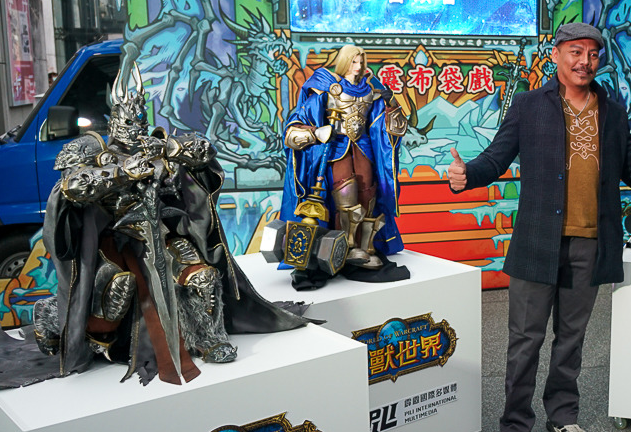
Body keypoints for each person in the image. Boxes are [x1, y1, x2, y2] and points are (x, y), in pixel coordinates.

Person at [447, 23, 631, 432]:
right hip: (537, 241)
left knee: (571, 338)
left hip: (590, 242)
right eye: (575, 51)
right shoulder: (529, 106)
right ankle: (515, 427)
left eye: (592, 54)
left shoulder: (612, 110)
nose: (584, 62)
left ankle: (562, 414)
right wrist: (466, 176)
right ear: (556, 55)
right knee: (525, 340)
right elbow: (496, 159)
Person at [32, 68, 308, 385]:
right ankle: (50, 316)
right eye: (130, 119)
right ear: (116, 118)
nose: (137, 126)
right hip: (114, 244)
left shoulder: (159, 146)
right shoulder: (92, 150)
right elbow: (72, 187)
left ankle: (210, 338)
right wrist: (121, 173)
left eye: (141, 119)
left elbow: (204, 151)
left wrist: (169, 150)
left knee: (203, 277)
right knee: (112, 301)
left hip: (161, 237)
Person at [281, 45, 406, 284]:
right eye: (353, 62)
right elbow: (298, 122)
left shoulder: (371, 88)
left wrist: (391, 104)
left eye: (361, 62)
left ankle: (365, 247)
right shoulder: (325, 84)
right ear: (345, 62)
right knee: (345, 195)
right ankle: (344, 247)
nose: (357, 67)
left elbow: (392, 124)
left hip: (364, 147)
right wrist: (316, 133)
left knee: (368, 195)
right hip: (337, 147)